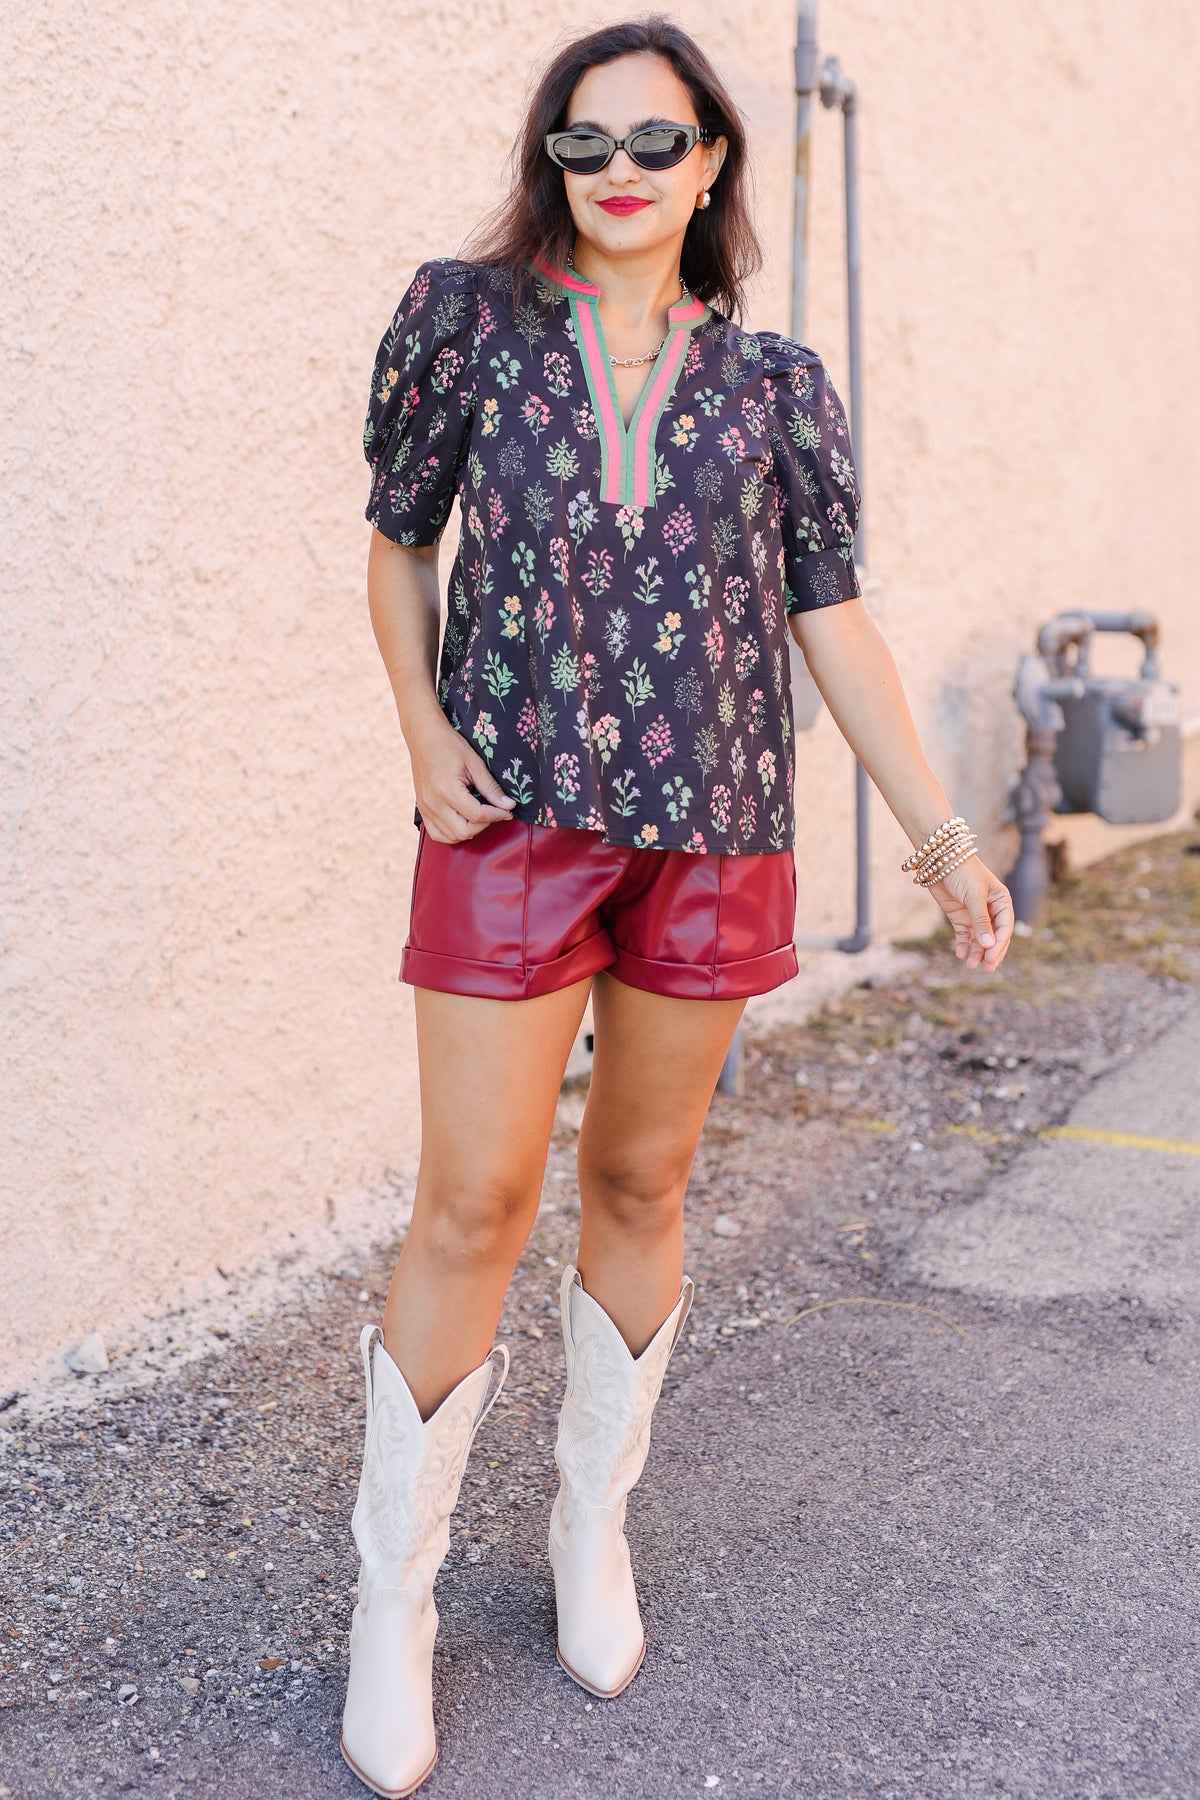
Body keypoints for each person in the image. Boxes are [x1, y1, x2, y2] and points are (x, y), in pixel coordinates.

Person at [339, 15, 1014, 1796]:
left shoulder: (778, 386)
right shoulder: (464, 323)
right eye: (585, 145)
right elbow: (401, 542)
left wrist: (942, 844)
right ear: (550, 165)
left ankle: (586, 1529)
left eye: (655, 142)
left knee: (639, 1180)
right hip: (509, 828)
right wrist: (420, 733)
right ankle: (389, 1603)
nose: (620, 173)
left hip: (714, 835)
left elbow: (832, 624)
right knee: (472, 1199)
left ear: (713, 159)